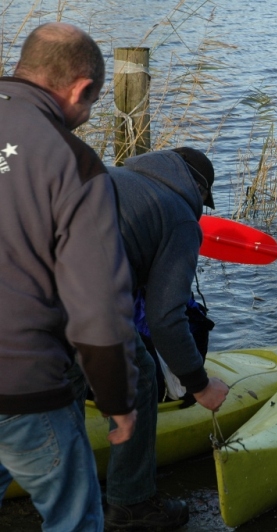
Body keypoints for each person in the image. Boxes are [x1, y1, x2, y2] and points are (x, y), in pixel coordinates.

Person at [0, 23, 139, 531]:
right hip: (24, 389)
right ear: (81, 89)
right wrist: (118, 403)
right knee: (75, 520)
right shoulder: (73, 163)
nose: (84, 118)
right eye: (91, 105)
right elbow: (98, 310)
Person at [70, 147, 230, 530]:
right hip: (78, 294)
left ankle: (65, 483)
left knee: (63, 376)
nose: (201, 211)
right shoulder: (179, 217)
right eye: (203, 203)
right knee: (139, 375)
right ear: (197, 189)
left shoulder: (116, 175)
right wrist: (199, 383)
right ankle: (131, 505)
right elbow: (166, 318)